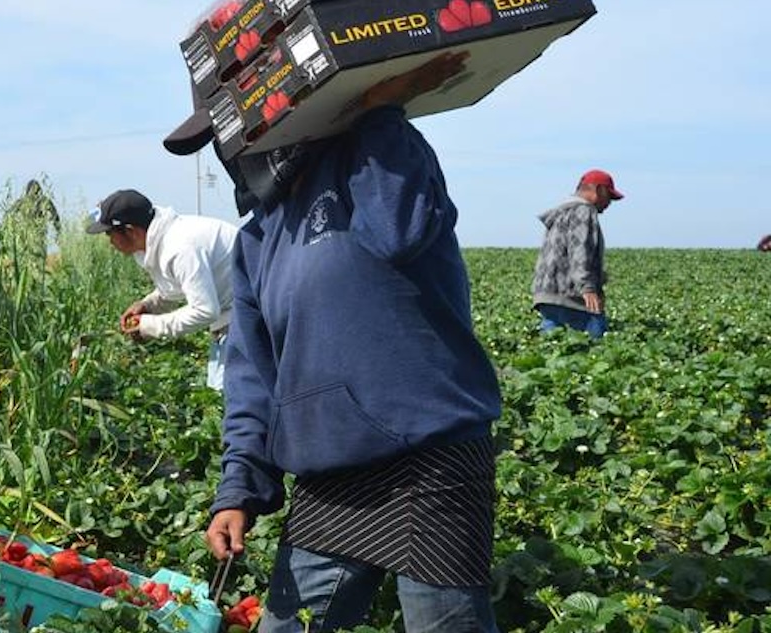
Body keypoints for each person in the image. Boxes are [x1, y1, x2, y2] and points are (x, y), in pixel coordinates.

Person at [164, 52, 503, 632]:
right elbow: (252, 380)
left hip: (428, 461)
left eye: (233, 127)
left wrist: (380, 113)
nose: (231, 147)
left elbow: (400, 232)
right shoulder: (256, 241)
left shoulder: (373, 159)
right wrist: (238, 488)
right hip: (327, 479)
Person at [86, 189, 238, 391]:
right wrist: (148, 305)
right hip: (232, 315)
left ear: (130, 231)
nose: (110, 242)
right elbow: (175, 288)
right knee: (221, 393)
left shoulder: (180, 247)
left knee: (230, 397)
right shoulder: (161, 241)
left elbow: (205, 310)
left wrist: (150, 326)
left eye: (109, 234)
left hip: (251, 314)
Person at [531, 169, 624, 339]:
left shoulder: (561, 214)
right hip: (572, 296)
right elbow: (579, 251)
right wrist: (587, 288)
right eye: (608, 197)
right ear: (598, 190)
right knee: (595, 344)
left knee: (552, 350)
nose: (609, 203)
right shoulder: (584, 212)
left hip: (547, 295)